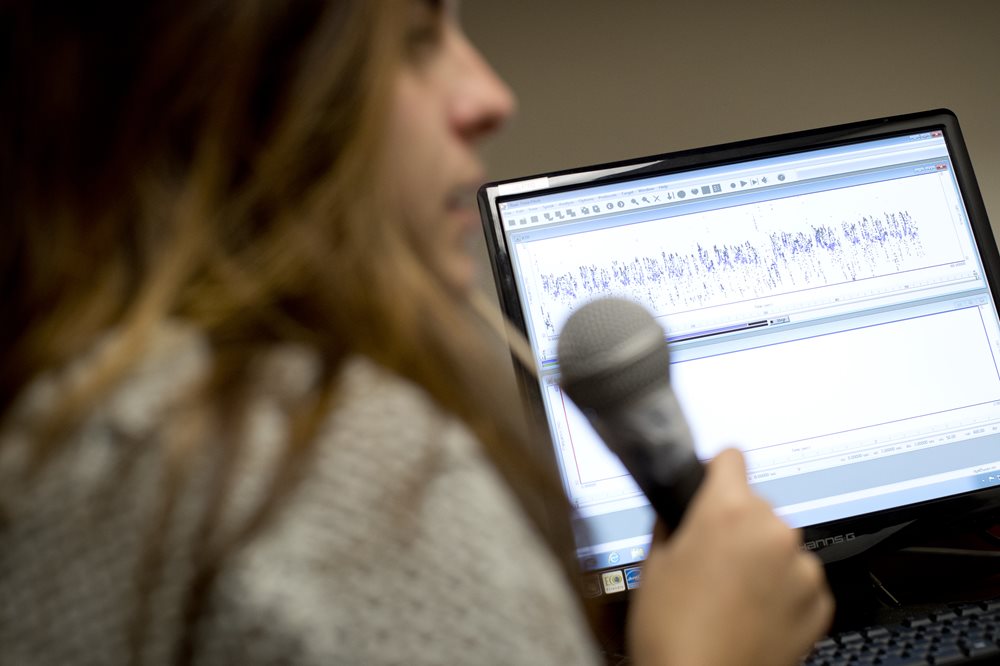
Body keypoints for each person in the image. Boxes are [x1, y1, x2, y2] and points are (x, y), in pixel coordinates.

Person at [0, 0, 833, 664]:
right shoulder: (342, 478)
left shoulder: (61, 416)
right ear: (241, 91)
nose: (490, 97)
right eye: (413, 39)